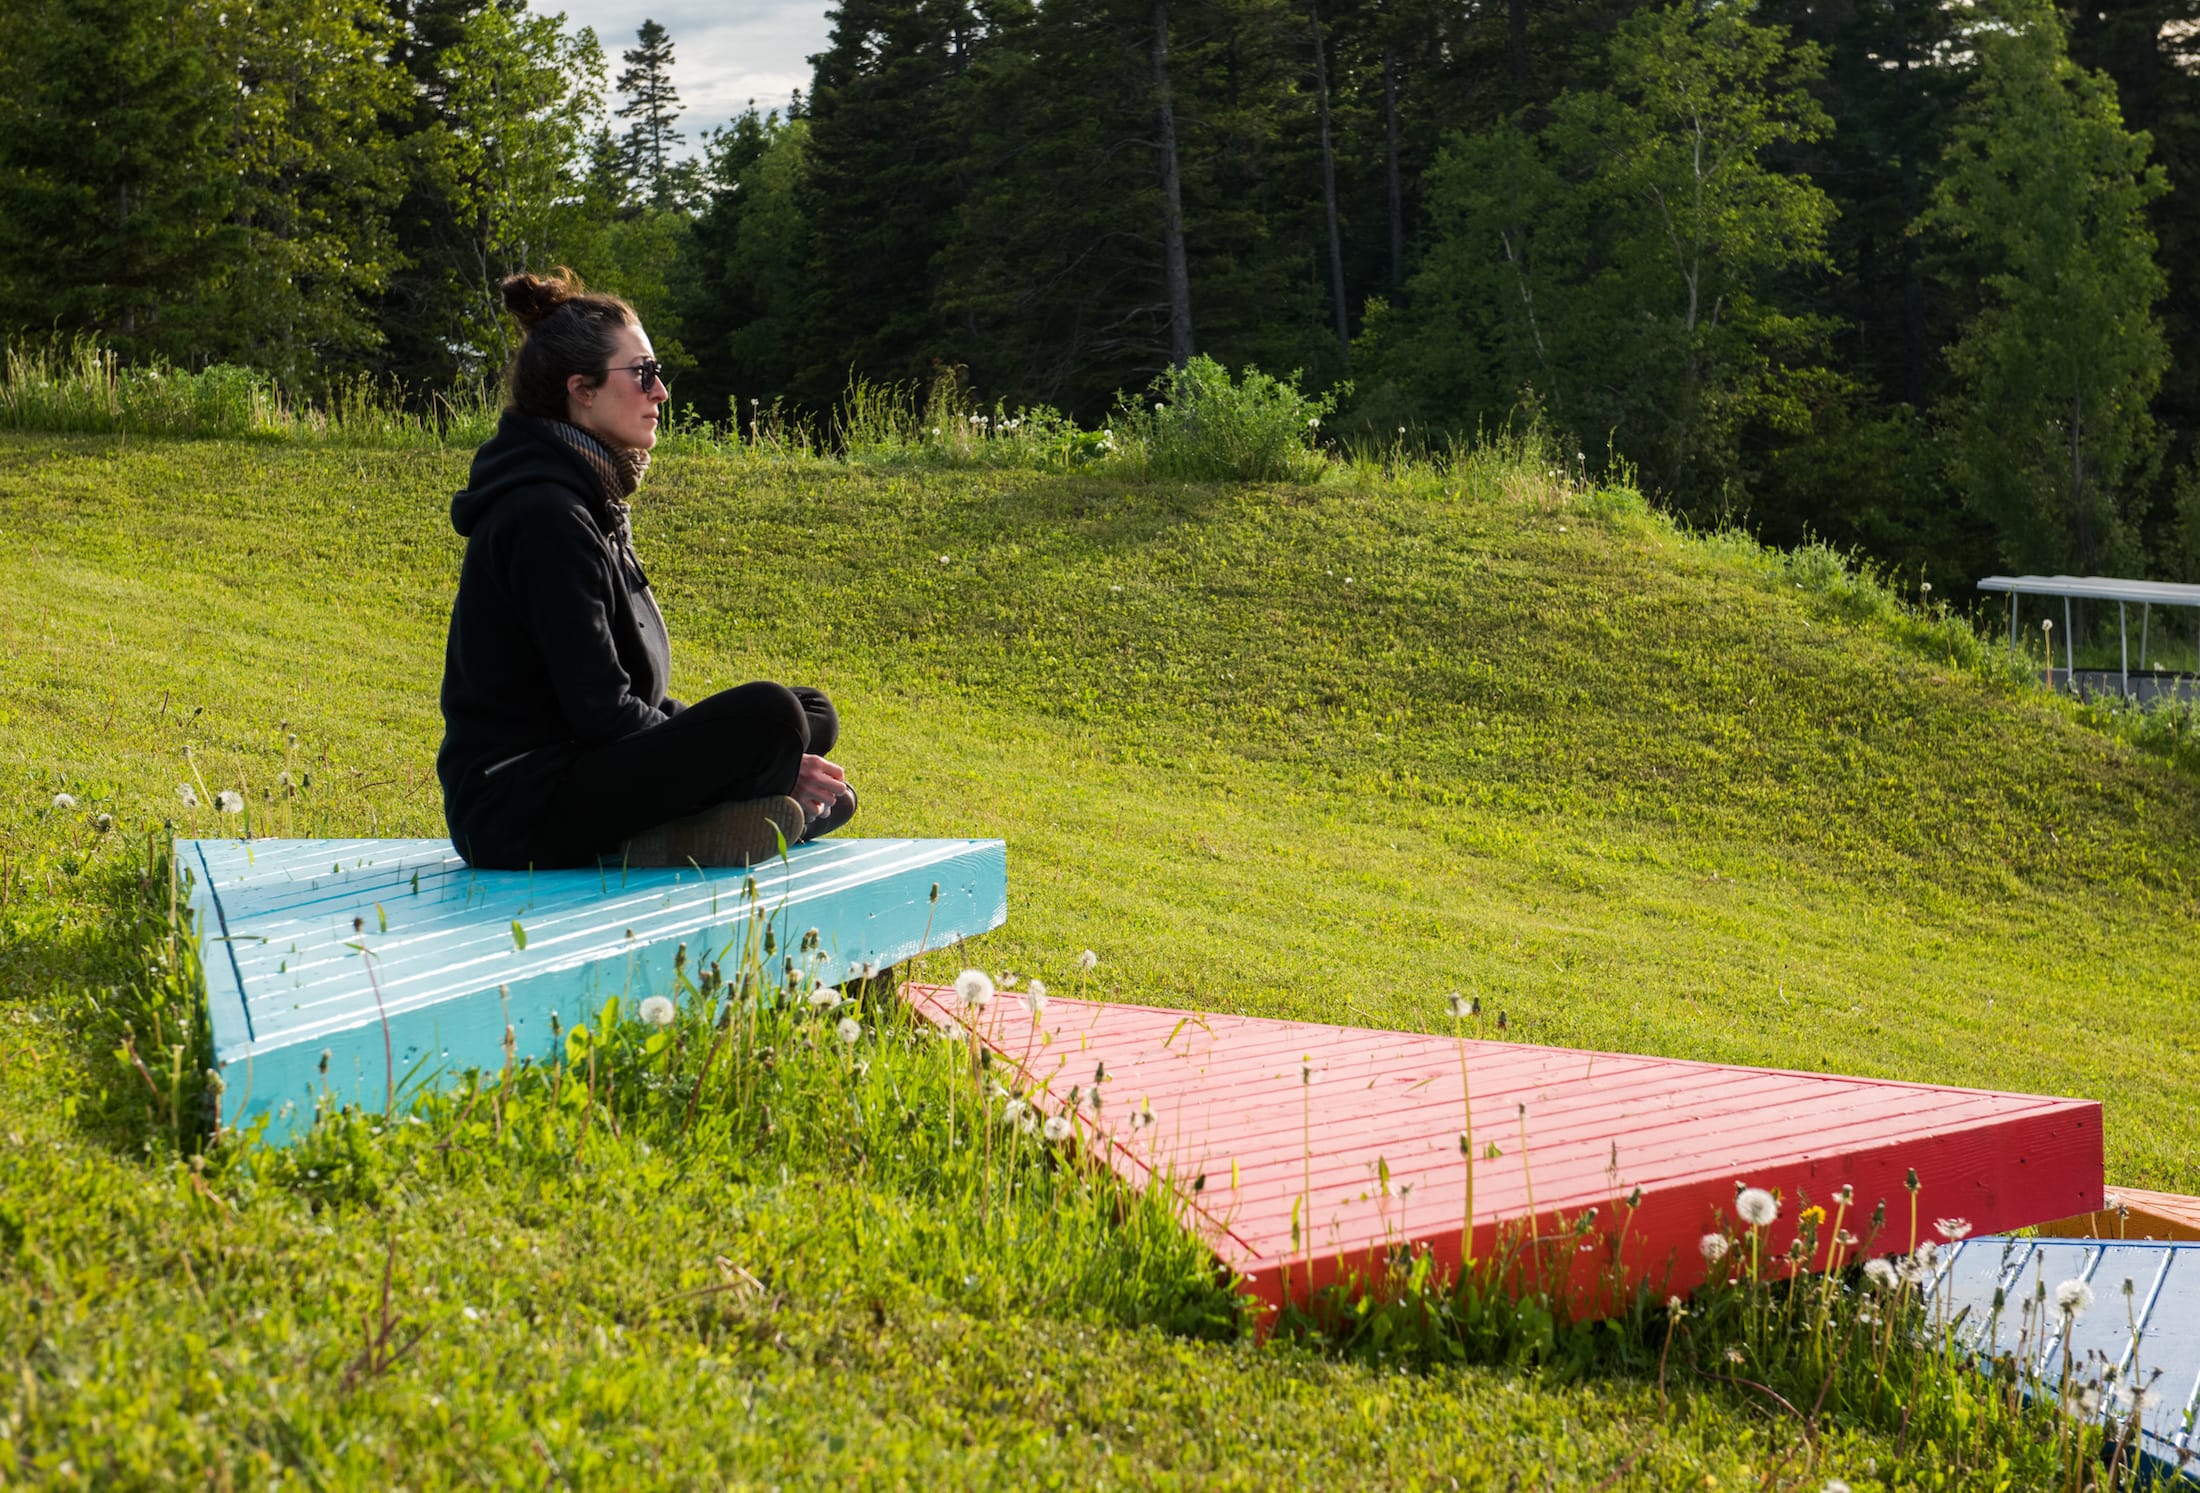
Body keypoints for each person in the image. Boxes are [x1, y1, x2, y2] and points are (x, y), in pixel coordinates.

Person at [436, 269, 856, 869]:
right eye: (642, 374)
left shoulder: (585, 498)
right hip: (517, 806)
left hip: (582, 767)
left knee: (809, 710)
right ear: (581, 389)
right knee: (772, 718)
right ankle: (702, 823)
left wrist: (729, 749)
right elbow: (602, 711)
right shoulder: (543, 514)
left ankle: (716, 819)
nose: (660, 392)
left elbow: (627, 704)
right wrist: (753, 755)